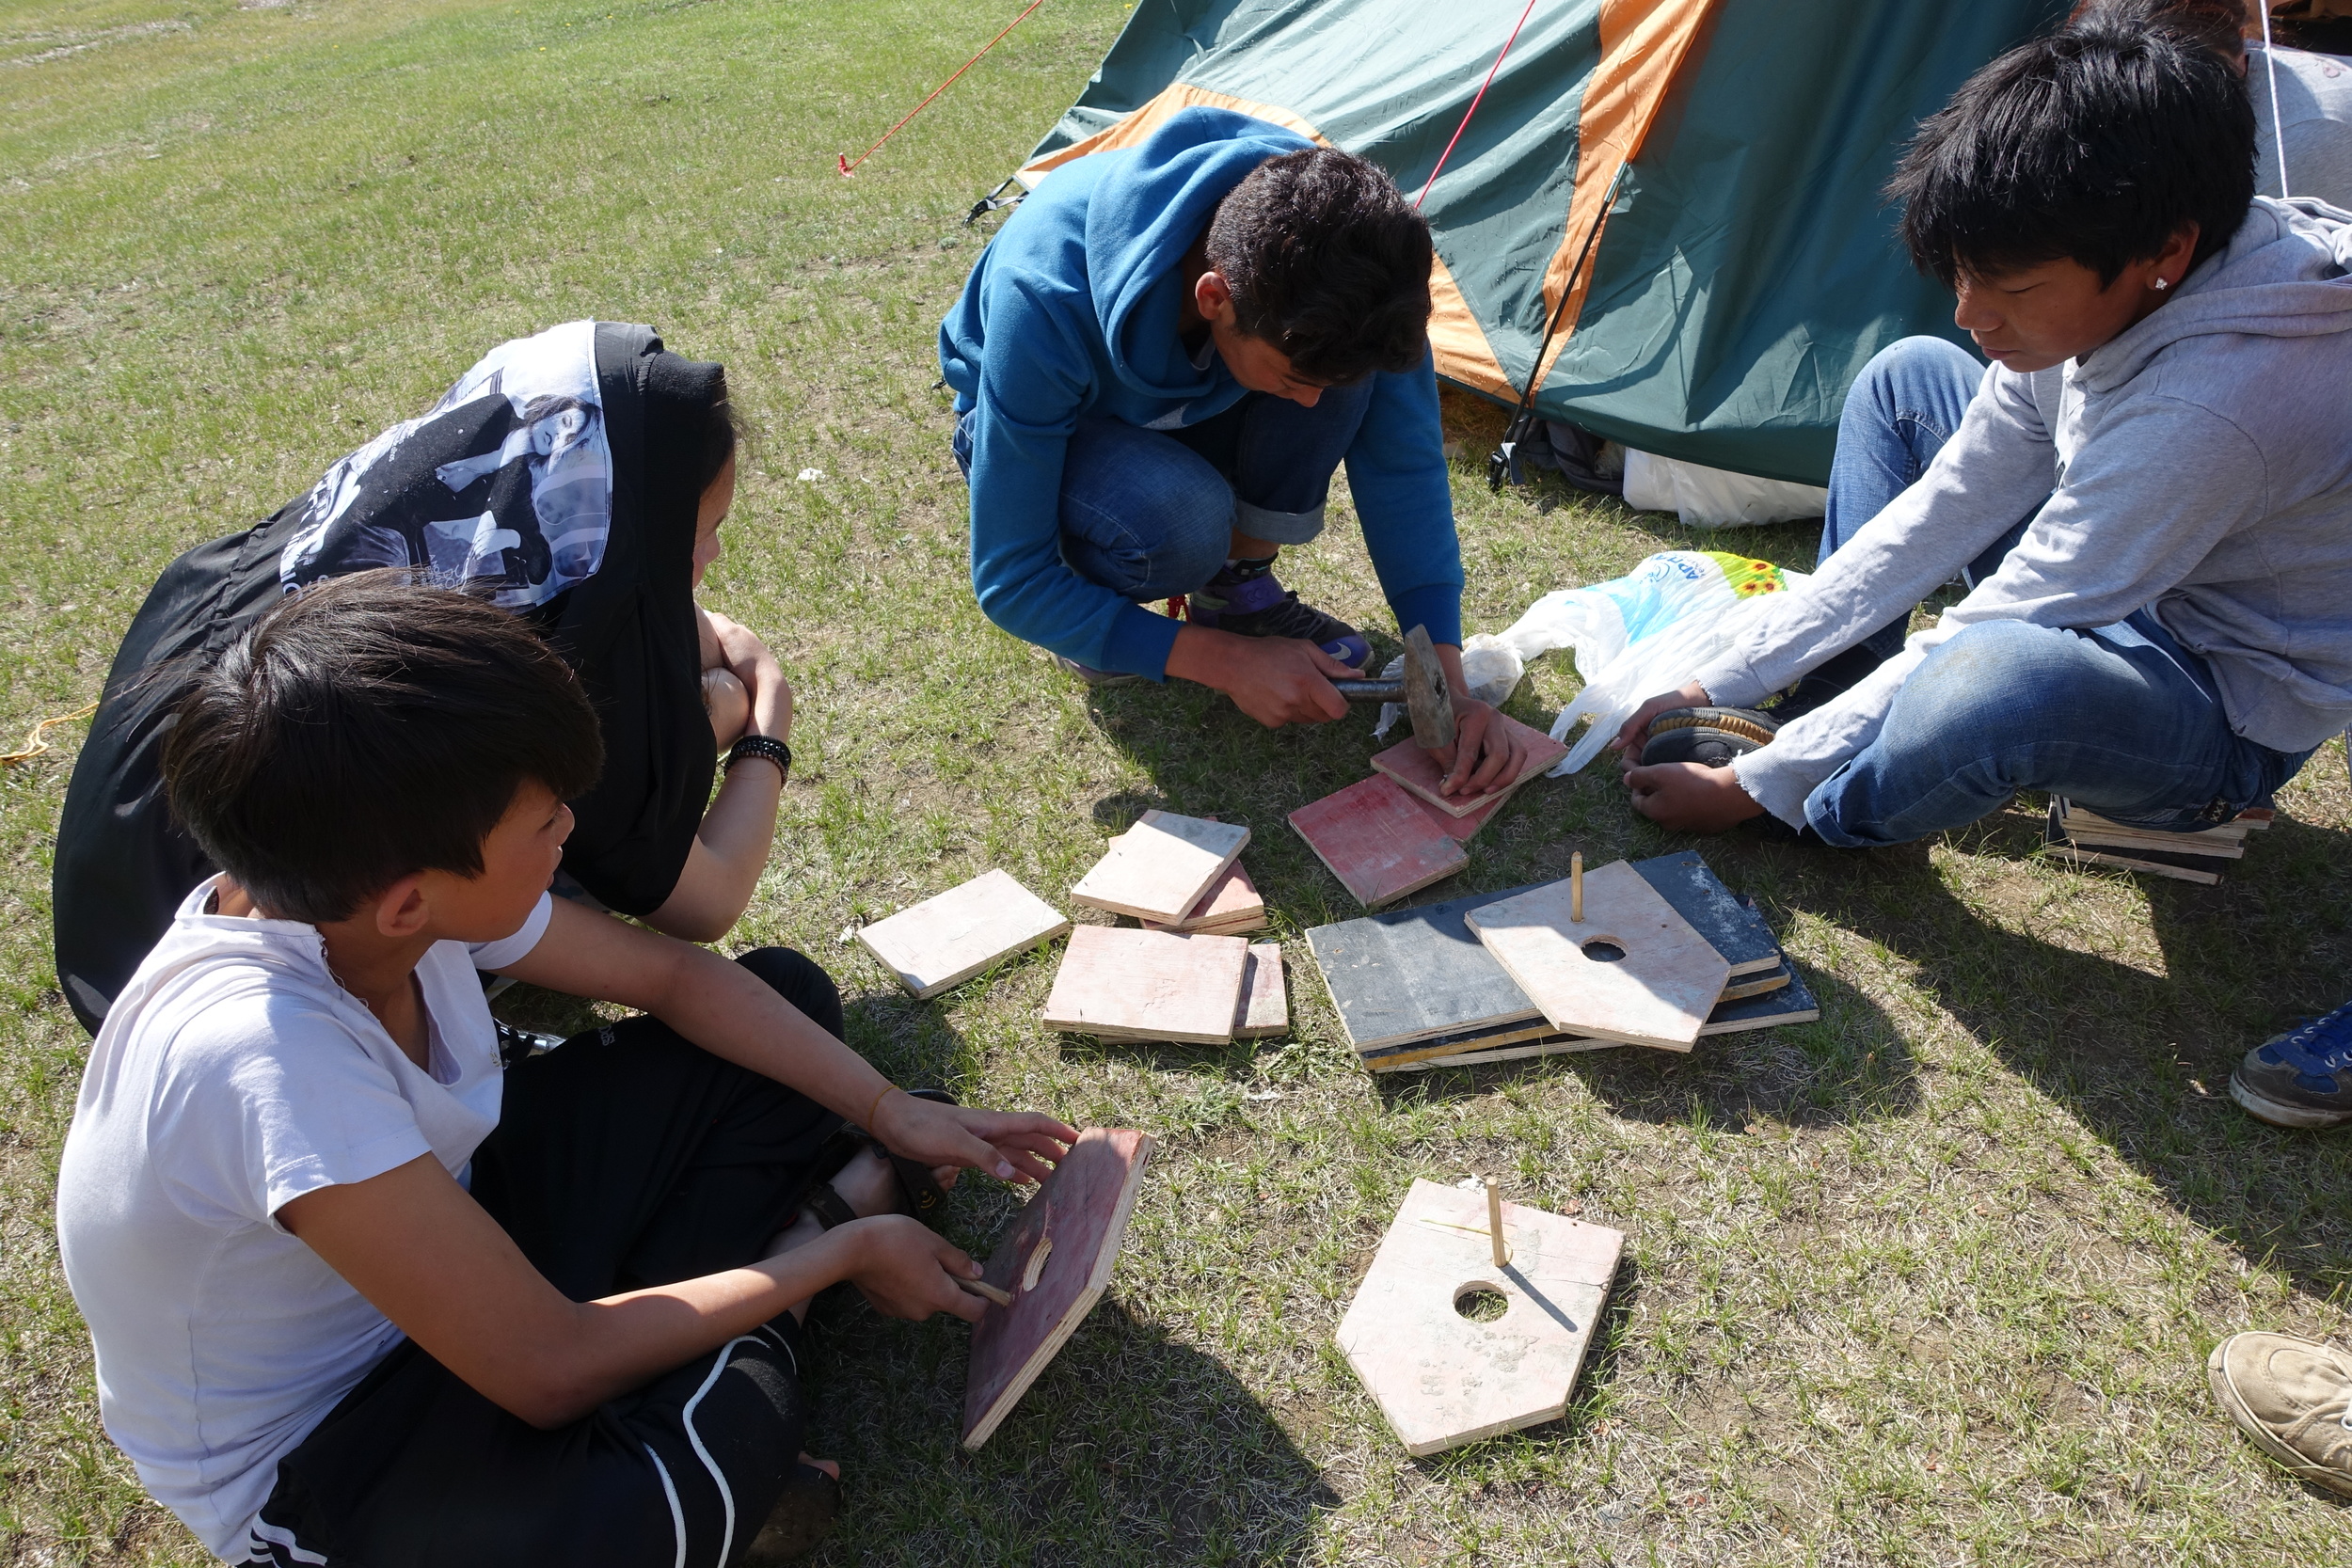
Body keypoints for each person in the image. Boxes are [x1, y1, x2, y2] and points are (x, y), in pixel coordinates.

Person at [54, 573, 1076, 1567]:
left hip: (453, 1235)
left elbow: (678, 979)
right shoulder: (265, 1057)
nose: (569, 832)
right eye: (543, 824)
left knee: (786, 1007)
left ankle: (741, 1310)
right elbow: (547, 1369)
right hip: (337, 1444)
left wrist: (889, 1108)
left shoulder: (349, 886)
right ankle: (805, 1243)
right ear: (411, 902)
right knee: (648, 1504)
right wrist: (833, 1254)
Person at [1610, 22, 2352, 855]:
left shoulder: (2218, 406)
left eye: (2013, 287)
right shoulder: (2112, 283)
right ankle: (1835, 698)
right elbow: (1949, 504)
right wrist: (1722, 675)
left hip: (2207, 696)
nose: (1971, 315)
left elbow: (2010, 614)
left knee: (1996, 681)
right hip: (2115, 576)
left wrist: (1758, 783)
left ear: (2166, 253)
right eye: (1962, 275)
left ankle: (1823, 803)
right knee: (1908, 380)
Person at [54, 322, 787, 1035]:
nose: (708, 559)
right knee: (558, 816)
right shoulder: (434, 694)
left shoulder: (424, 517)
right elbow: (703, 902)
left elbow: (643, 607)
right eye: (691, 539)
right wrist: (760, 728)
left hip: (126, 916)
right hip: (228, 979)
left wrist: (689, 632)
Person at [939, 107, 1530, 796]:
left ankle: (1236, 588)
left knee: (1341, 381)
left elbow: (1406, 471)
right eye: (1294, 382)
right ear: (1214, 297)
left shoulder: (1356, 260)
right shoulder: (1045, 293)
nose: (1309, 409)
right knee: (1183, 519)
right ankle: (1105, 603)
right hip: (1041, 418)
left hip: (1195, 388)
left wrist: (1445, 680)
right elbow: (1011, 579)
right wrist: (1220, 663)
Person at [2069, 0, 2352, 205]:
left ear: (2242, 44)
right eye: (2125, 83)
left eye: (2188, 84)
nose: (2155, 104)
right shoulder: (2075, 90)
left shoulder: (2299, 135)